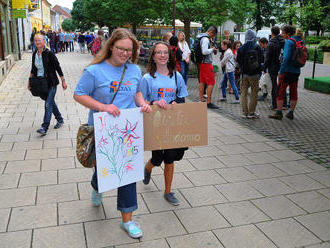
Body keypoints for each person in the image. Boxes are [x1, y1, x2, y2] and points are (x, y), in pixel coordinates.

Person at [73, 28, 151, 239]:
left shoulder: (134, 70)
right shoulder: (95, 71)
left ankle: (128, 220)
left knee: (128, 173)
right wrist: (102, 106)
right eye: (121, 49)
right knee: (104, 170)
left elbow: (136, 92)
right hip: (103, 129)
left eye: (129, 50)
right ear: (111, 47)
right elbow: (78, 94)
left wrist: (142, 103)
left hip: (127, 131)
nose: (125, 54)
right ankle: (97, 186)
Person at [140, 41, 188, 206]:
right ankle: (147, 168)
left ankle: (168, 191)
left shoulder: (176, 76)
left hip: (172, 123)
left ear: (169, 56)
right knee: (157, 158)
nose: (162, 55)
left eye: (165, 52)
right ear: (153, 57)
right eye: (158, 52)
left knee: (170, 157)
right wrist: (154, 102)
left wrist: (176, 102)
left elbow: (182, 96)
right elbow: (142, 100)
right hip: (156, 123)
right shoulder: (147, 78)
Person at [28, 34, 67, 135]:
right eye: (36, 40)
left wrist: (63, 80)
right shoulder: (34, 54)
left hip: (51, 82)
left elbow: (57, 67)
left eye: (39, 40)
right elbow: (33, 69)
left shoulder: (49, 53)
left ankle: (44, 127)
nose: (37, 42)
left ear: (44, 41)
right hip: (40, 83)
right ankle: (60, 119)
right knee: (50, 103)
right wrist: (29, 81)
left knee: (47, 104)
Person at [269, 25, 301, 120]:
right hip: (296, 71)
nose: (281, 34)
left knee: (280, 91)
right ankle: (291, 112)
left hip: (286, 71)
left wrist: (281, 70)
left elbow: (286, 58)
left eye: (283, 32)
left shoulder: (289, 42)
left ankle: (279, 113)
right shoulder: (299, 41)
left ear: (288, 33)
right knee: (293, 91)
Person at [237, 29, 263, 119]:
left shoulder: (241, 48)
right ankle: (252, 112)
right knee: (254, 93)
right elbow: (261, 60)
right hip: (255, 74)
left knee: (243, 93)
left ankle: (245, 113)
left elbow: (238, 61)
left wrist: (242, 68)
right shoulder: (257, 47)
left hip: (245, 74)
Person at [263, 26, 285, 109]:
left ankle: (274, 104)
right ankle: (284, 104)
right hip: (282, 66)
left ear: (272, 33)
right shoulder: (283, 41)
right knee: (282, 85)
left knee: (274, 86)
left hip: (273, 67)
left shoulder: (271, 43)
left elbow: (267, 57)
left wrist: (264, 68)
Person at [197, 26, 219, 109]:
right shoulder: (205, 39)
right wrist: (212, 49)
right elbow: (204, 51)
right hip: (206, 64)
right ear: (211, 32)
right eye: (213, 35)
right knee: (211, 82)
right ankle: (208, 102)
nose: (212, 37)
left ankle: (202, 99)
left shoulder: (200, 37)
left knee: (202, 81)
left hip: (201, 63)